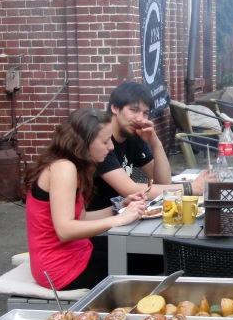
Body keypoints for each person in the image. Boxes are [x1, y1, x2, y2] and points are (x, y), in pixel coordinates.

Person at [24, 107, 146, 290]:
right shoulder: (64, 168)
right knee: (146, 264)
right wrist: (119, 219)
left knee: (141, 252)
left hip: (75, 251)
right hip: (60, 269)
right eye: (105, 142)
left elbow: (79, 218)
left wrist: (120, 206)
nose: (111, 147)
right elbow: (65, 230)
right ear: (84, 142)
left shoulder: (70, 164)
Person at [87, 81, 215, 211]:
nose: (140, 118)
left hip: (123, 215)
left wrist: (156, 144)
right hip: (98, 223)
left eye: (145, 113)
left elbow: (163, 182)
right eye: (134, 110)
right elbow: (129, 189)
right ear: (114, 108)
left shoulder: (133, 135)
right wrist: (190, 188)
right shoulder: (101, 143)